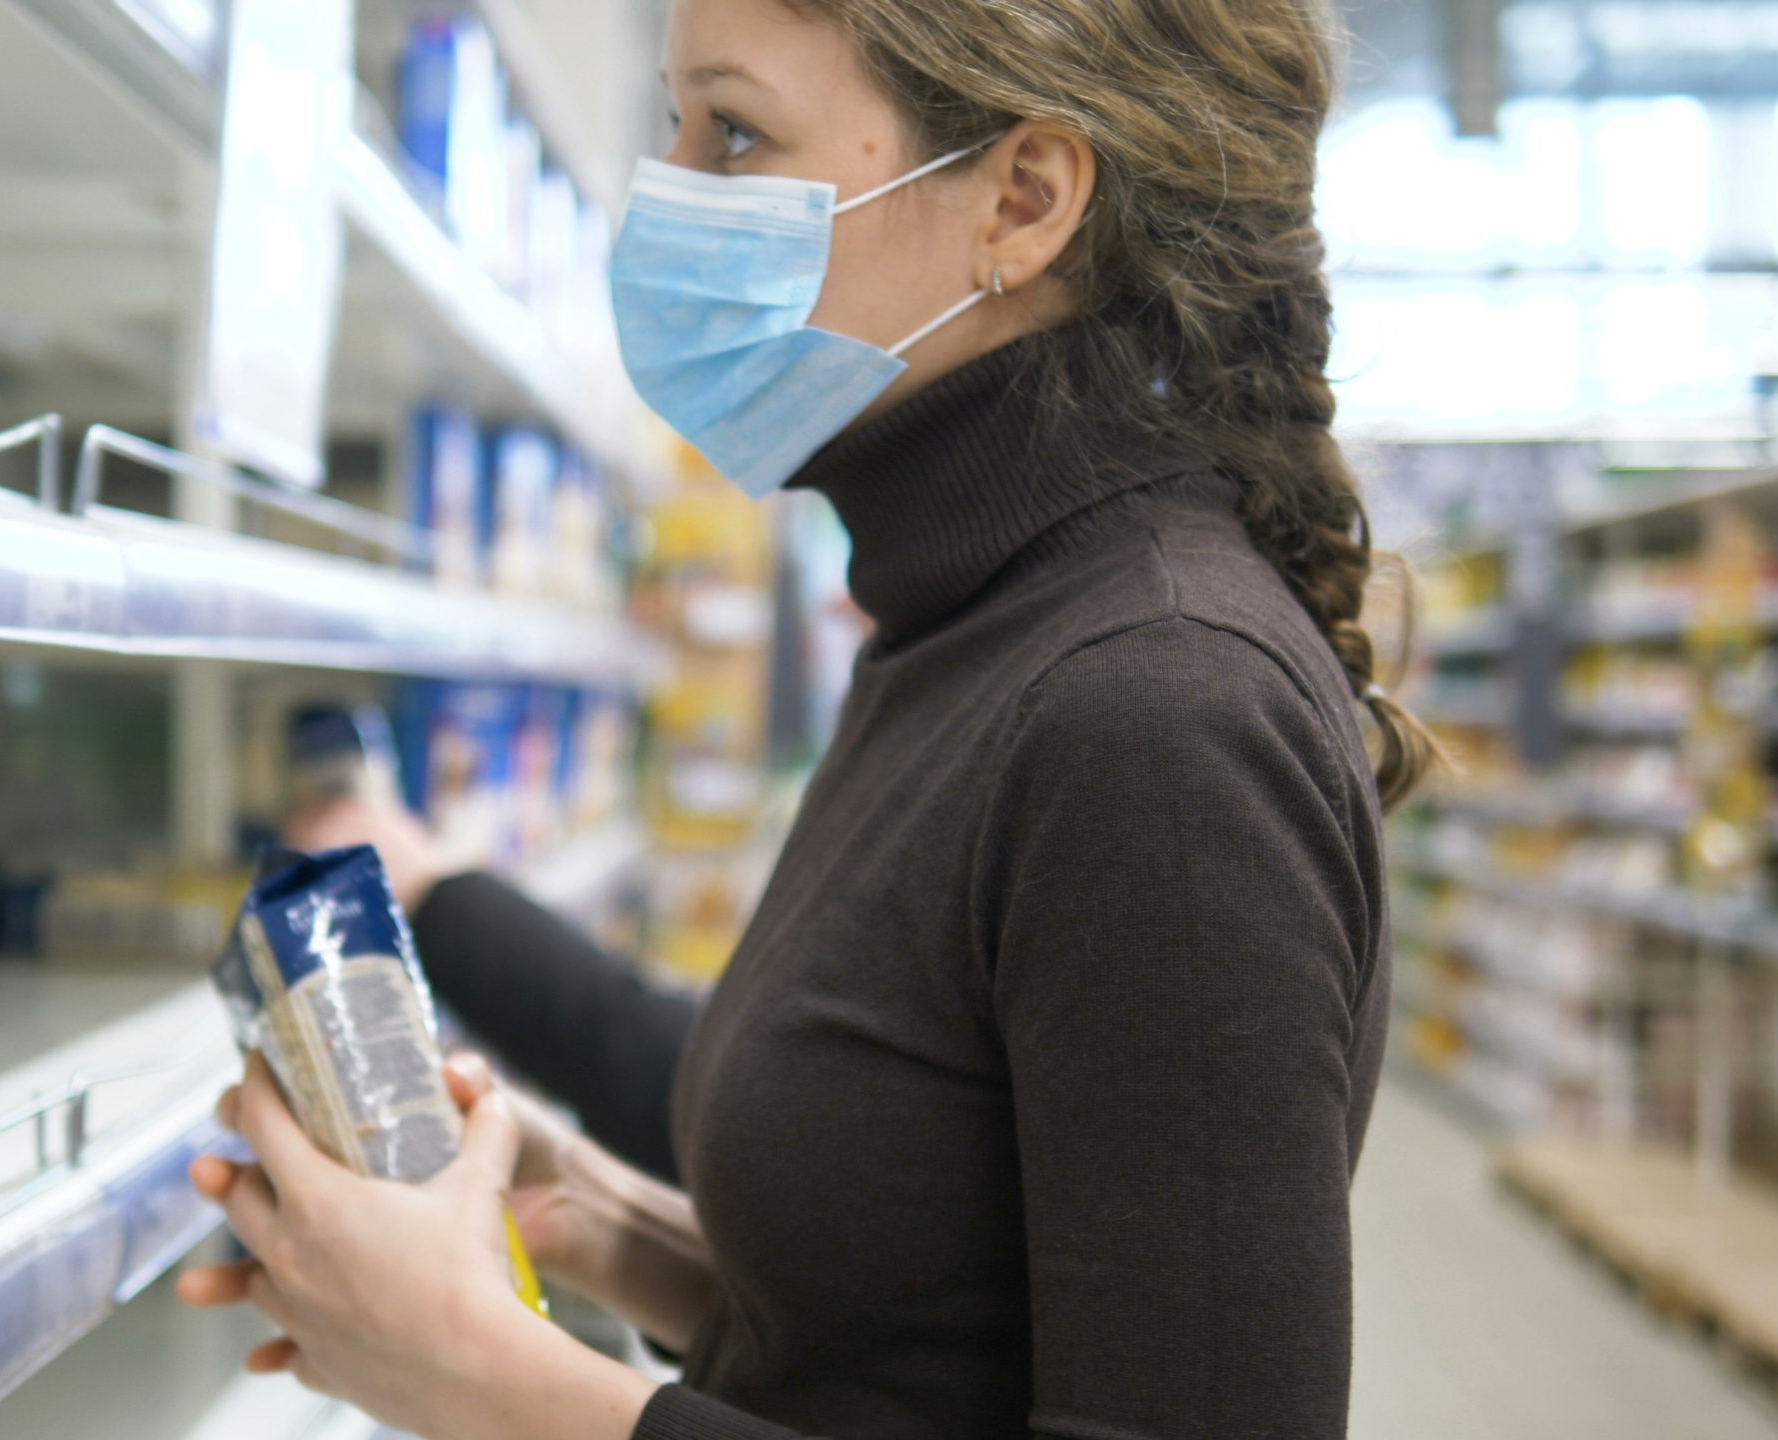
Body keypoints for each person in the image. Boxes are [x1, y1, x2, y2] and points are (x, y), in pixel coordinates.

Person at [177, 0, 1438, 1435]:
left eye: (733, 133)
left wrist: (484, 1376)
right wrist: (590, 1217)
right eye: (675, 128)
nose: (671, 201)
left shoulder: (1158, 709)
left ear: (1021, 200)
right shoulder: (970, 619)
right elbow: (920, 1344)